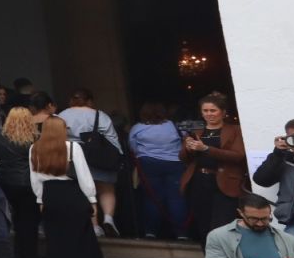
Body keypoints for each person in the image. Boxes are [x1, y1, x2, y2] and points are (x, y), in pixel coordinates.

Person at [30, 116, 108, 258]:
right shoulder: (73, 147)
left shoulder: (35, 148)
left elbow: (34, 179)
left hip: (49, 195)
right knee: (78, 241)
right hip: (71, 194)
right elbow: (83, 176)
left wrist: (40, 200)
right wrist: (92, 199)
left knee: (56, 241)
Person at [60, 89, 124, 238]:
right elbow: (112, 138)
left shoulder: (62, 115)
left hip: (74, 156)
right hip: (100, 156)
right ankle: (108, 219)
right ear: (90, 101)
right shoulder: (100, 115)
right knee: (107, 188)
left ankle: (95, 226)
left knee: (86, 191)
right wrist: (118, 155)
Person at [184, 92, 247, 239]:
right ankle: (208, 254)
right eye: (205, 110)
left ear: (223, 112)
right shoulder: (197, 131)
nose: (209, 114)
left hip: (225, 183)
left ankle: (224, 254)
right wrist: (188, 148)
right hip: (199, 181)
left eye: (213, 110)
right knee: (203, 224)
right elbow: (184, 158)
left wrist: (206, 149)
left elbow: (238, 156)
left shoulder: (235, 130)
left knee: (222, 226)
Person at [0, 106, 42, 258]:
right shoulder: (35, 136)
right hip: (29, 183)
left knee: (13, 221)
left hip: (6, 183)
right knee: (30, 222)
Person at [130, 102, 189, 239]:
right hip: (175, 164)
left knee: (151, 198)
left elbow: (133, 148)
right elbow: (186, 141)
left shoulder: (137, 128)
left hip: (148, 164)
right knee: (176, 199)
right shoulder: (174, 126)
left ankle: (151, 232)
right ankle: (181, 233)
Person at [251, 118, 294, 234]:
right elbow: (262, 181)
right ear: (287, 138)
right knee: (291, 245)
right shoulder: (285, 158)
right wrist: (277, 154)